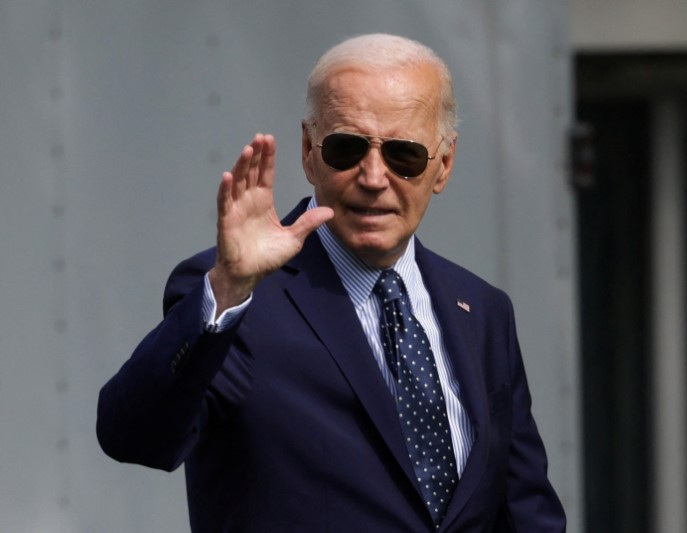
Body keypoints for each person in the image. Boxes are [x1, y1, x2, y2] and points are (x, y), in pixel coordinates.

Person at [97, 33, 566, 532]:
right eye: (347, 148)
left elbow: (525, 512)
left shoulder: (482, 310)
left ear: (443, 164)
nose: (372, 176)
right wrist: (228, 289)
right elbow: (134, 437)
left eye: (403, 155)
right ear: (308, 151)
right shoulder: (240, 296)